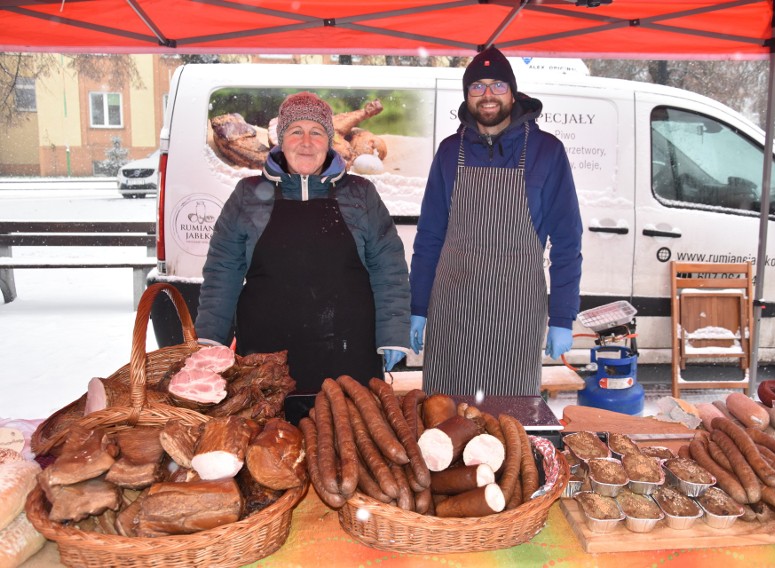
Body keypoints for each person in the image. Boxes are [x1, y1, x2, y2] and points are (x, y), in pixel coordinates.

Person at [195, 91, 409, 396]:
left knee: (345, 441)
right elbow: (222, 270)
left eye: (316, 132)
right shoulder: (248, 194)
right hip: (266, 368)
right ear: (281, 140)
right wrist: (211, 339)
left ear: (329, 141)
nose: (306, 142)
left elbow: (389, 268)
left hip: (349, 362)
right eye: (296, 132)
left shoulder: (361, 194)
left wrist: (392, 333)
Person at [409, 46, 583, 397]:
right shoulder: (448, 151)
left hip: (517, 309)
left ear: (513, 92)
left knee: (511, 419)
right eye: (477, 87)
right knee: (445, 414)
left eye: (498, 86)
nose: (488, 95)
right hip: (453, 307)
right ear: (467, 95)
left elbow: (567, 241)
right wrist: (417, 307)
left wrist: (562, 317)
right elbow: (429, 236)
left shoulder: (546, 151)